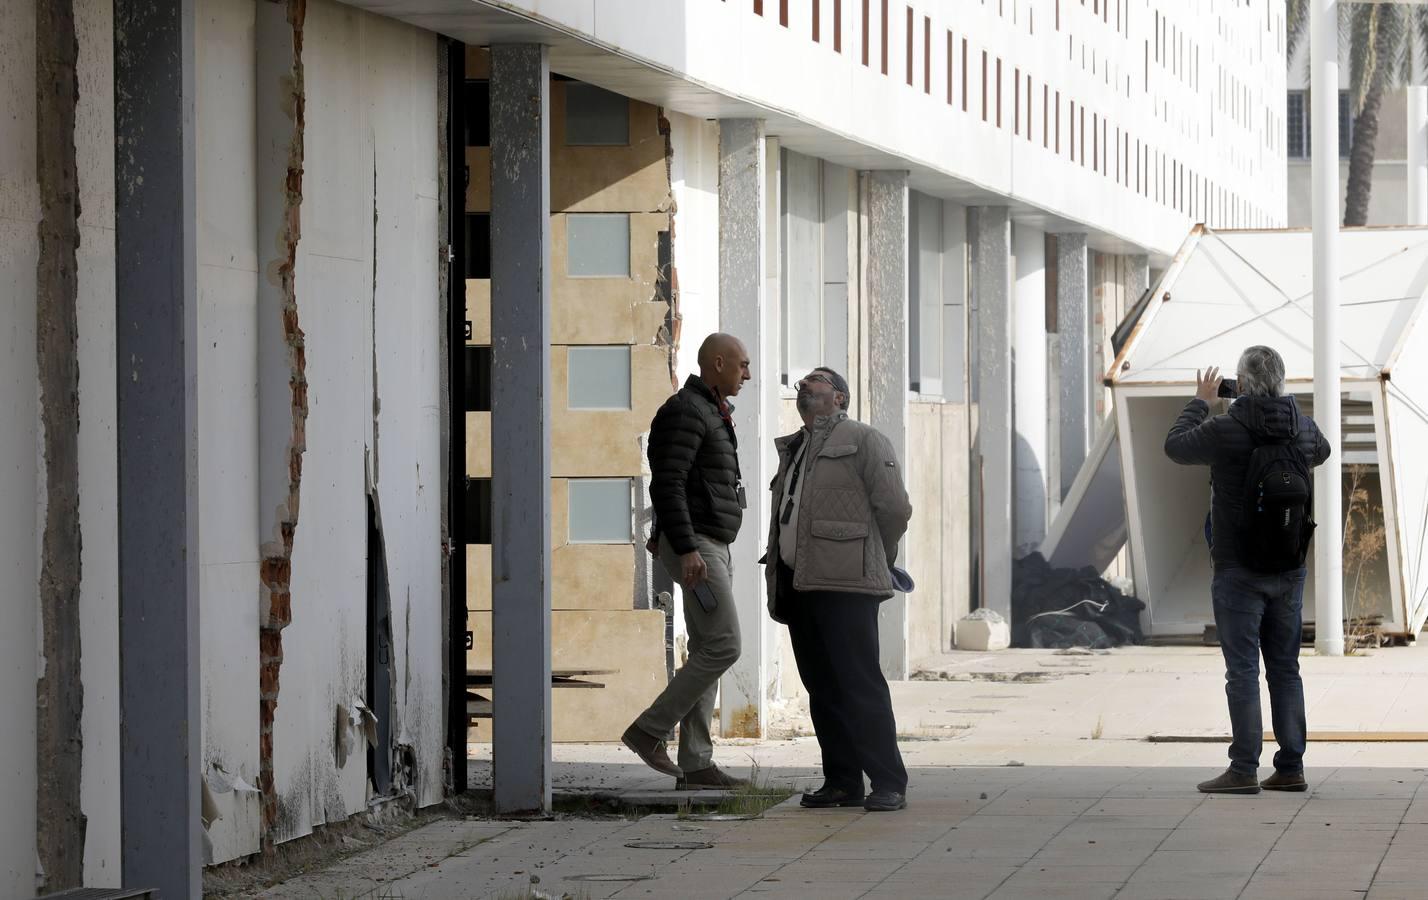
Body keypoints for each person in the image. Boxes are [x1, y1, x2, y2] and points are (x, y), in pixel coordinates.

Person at [1165, 346, 1331, 794]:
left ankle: (1243, 770)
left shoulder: (1225, 428)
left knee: (1242, 671)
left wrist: (1202, 399)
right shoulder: (1302, 426)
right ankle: (1291, 767)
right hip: (1289, 566)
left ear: (1240, 382)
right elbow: (1324, 451)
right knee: (1285, 668)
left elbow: (1175, 446)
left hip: (1238, 567)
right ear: (1281, 380)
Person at [763, 367, 913, 812]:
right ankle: (843, 781)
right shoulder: (795, 447)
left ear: (840, 398)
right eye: (801, 383)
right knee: (822, 686)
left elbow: (895, 509)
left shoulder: (865, 440)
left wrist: (873, 557)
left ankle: (887, 781)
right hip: (799, 581)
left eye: (816, 381)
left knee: (859, 683)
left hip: (848, 585)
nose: (804, 386)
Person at [623, 333, 752, 790]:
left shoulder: (711, 411)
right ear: (717, 363)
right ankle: (648, 730)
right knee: (725, 645)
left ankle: (696, 765)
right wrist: (687, 547)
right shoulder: (686, 411)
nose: (748, 374)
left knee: (707, 650)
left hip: (710, 543)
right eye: (742, 365)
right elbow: (668, 484)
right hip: (697, 548)